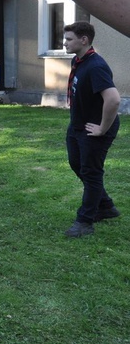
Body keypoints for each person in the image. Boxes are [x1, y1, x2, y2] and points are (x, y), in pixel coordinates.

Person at [62, 22, 121, 237]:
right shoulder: (78, 61)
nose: (65, 43)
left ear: (84, 39)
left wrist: (102, 128)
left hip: (94, 129)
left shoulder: (96, 65)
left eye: (69, 39)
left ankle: (85, 221)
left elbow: (113, 100)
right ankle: (106, 206)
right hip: (77, 126)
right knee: (77, 164)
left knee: (91, 172)